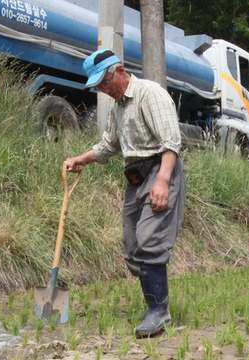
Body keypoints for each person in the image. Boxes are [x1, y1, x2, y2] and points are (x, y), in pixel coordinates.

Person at [64, 49, 184, 338]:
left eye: (104, 82)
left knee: (149, 240)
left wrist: (163, 181)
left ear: (118, 70)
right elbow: (108, 145)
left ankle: (159, 311)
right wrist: (81, 158)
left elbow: (171, 141)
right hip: (135, 175)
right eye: (98, 86)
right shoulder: (118, 107)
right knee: (132, 247)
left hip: (160, 168)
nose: (103, 90)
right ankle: (153, 302)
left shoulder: (149, 94)